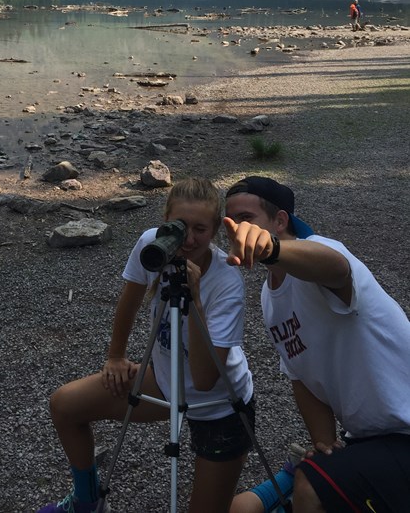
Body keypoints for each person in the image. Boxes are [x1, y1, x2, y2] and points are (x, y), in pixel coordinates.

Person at [37, 176, 255, 513]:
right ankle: (87, 500)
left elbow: (204, 379)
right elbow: (130, 299)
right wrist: (115, 356)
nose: (189, 239)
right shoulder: (154, 246)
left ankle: (283, 484)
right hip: (167, 384)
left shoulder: (227, 282)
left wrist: (194, 299)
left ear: (215, 231)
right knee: (65, 405)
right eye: (181, 226)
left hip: (218, 405)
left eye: (200, 229)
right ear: (166, 220)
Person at [224, 176, 410, 513]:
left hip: (404, 431)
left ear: (280, 221)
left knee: (311, 487)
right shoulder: (269, 296)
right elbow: (300, 376)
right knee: (245, 506)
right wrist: (324, 446)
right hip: (369, 439)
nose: (236, 229)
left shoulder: (324, 250)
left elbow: (336, 270)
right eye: (230, 221)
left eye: (246, 219)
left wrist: (272, 250)